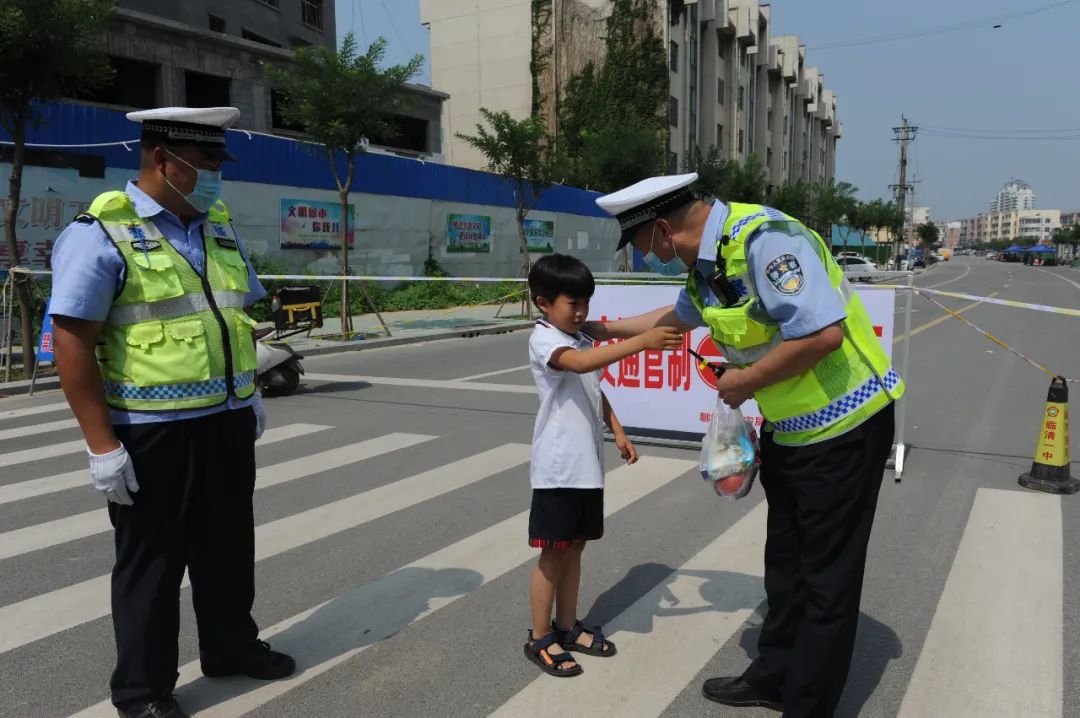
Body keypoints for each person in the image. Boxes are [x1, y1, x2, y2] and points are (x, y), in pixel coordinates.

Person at [588, 174, 904, 717]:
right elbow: (673, 319)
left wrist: (746, 381)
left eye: (645, 248)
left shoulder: (766, 241)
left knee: (826, 578)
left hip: (847, 429)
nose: (651, 260)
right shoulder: (707, 270)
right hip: (791, 433)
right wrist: (601, 328)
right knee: (785, 568)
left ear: (664, 230)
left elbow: (822, 335)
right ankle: (776, 676)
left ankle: (808, 705)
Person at [50, 107, 293, 718]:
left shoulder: (217, 226)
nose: (215, 176)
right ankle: (142, 690)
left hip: (226, 420)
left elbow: (233, 315)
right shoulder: (101, 232)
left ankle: (231, 648)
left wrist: (251, 391)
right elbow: (72, 343)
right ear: (164, 160)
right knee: (152, 564)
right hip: (151, 433)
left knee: (228, 547)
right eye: (206, 164)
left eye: (216, 163)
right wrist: (101, 446)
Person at [523, 254, 683, 677]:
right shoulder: (545, 339)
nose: (581, 313)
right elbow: (576, 366)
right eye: (572, 303)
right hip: (559, 468)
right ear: (543, 303)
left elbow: (593, 387)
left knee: (575, 547)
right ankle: (540, 637)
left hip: (585, 467)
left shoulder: (580, 338)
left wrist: (618, 430)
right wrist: (639, 343)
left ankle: (567, 625)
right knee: (553, 553)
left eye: (585, 304)